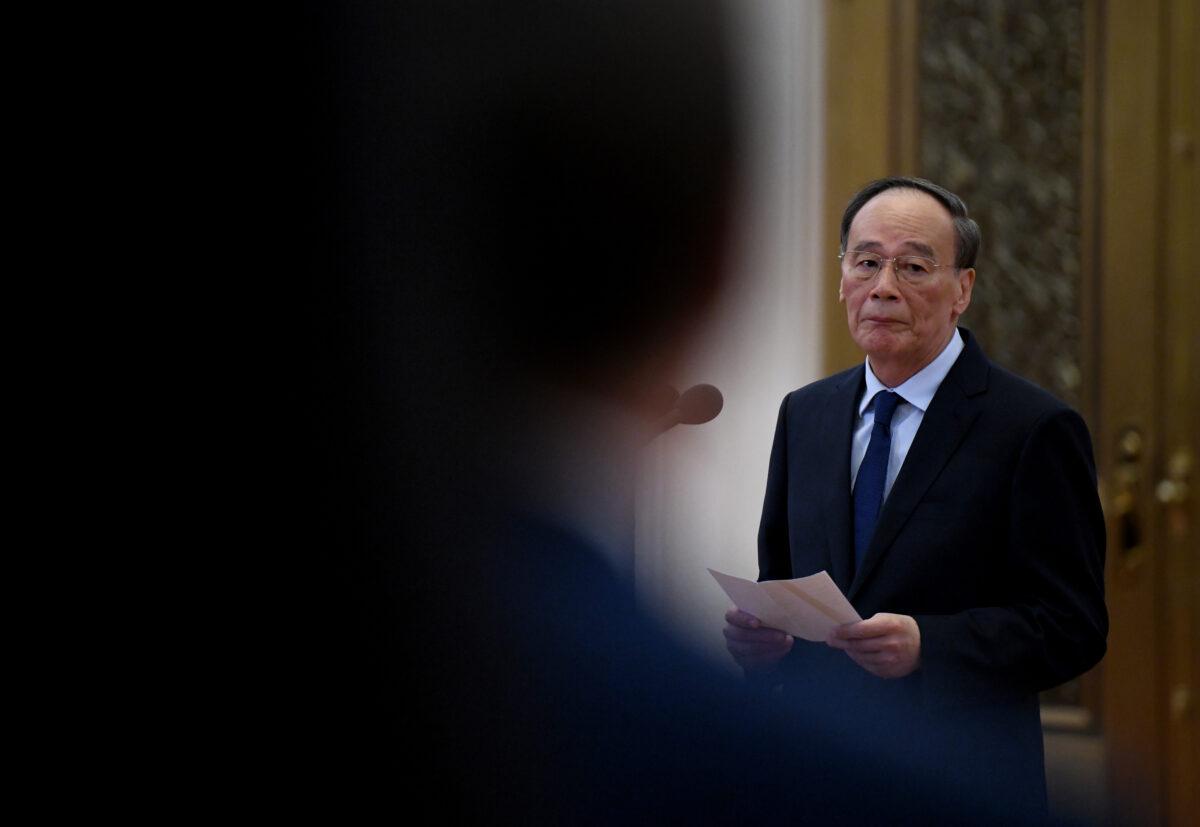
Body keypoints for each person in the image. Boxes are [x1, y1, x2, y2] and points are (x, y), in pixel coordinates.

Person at [724, 176, 1108, 820]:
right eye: (867, 262)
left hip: (959, 780)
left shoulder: (1032, 428)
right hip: (816, 771)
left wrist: (930, 646)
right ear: (842, 276)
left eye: (914, 267)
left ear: (963, 289)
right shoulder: (806, 414)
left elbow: (1072, 627)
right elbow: (782, 581)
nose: (884, 287)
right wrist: (764, 644)